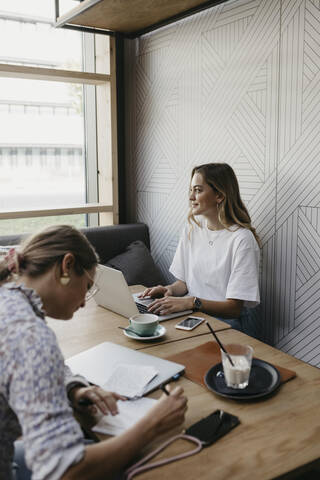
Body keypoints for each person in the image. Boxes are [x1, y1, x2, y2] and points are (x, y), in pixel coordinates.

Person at [0, 225, 187, 480]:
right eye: (88, 287)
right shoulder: (30, 335)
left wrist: (72, 388)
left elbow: (23, 362)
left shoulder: (9, 300)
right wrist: (153, 424)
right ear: (67, 266)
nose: (83, 301)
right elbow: (65, 472)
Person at [141, 163, 261, 336]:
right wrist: (170, 290)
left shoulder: (242, 240)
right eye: (191, 190)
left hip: (228, 325)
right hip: (194, 317)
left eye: (198, 190)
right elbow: (184, 283)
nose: (191, 197)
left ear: (219, 195)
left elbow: (234, 308)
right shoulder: (192, 229)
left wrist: (191, 302)